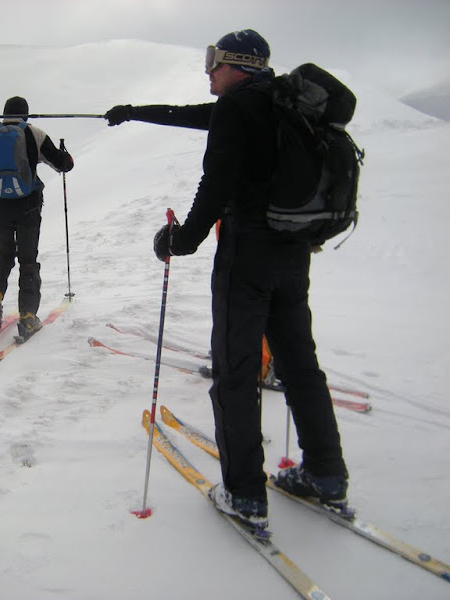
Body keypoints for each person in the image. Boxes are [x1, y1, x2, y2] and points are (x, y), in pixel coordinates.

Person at [105, 30, 348, 532]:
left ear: (237, 63)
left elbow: (215, 182)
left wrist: (181, 240)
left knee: (236, 372)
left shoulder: (239, 108)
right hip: (293, 252)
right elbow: (194, 115)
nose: (208, 71)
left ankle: (244, 495)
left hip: (247, 256)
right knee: (299, 364)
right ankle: (326, 475)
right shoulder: (283, 105)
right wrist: (133, 111)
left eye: (214, 61)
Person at [0, 96, 74, 340]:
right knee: (27, 260)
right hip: (28, 206)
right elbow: (62, 164)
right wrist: (66, 157)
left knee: (4, 254)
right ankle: (28, 317)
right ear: (26, 114)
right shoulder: (34, 134)